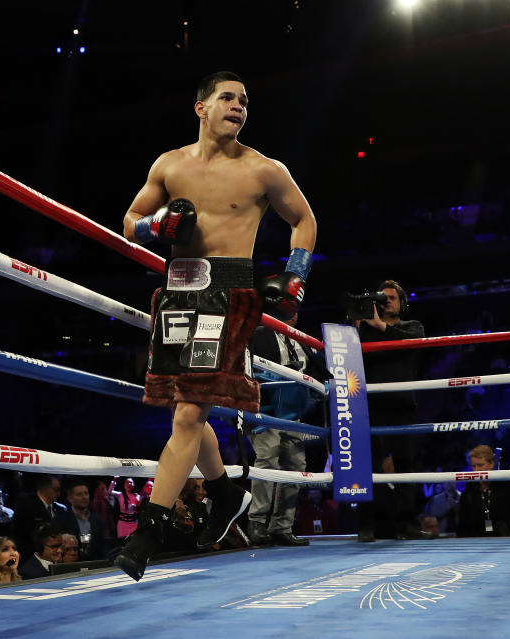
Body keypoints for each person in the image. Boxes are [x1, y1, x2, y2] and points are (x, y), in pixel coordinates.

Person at [114, 70, 317, 581]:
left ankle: (147, 533)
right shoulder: (169, 164)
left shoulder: (263, 170)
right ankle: (226, 494)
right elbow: (130, 222)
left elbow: (305, 221)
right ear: (200, 107)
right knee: (186, 408)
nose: (238, 106)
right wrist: (156, 226)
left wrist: (294, 275)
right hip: (177, 289)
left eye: (244, 101)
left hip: (228, 292)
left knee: (187, 415)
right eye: (227, 98)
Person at [355, 279, 432, 541]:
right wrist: (355, 323)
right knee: (368, 467)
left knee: (405, 466)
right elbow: (343, 352)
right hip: (371, 405)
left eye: (393, 297)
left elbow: (414, 343)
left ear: (402, 303)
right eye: (382, 297)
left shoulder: (413, 327)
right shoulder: (364, 331)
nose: (387, 300)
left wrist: (379, 326)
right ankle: (368, 525)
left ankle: (407, 525)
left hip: (402, 406)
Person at [247, 311, 325, 547]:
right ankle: (257, 523)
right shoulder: (262, 333)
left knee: (296, 466)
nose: (294, 313)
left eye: (297, 308)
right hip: (267, 410)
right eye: (289, 307)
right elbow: (251, 368)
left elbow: (318, 370)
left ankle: (282, 526)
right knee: (267, 459)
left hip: (293, 413)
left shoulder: (301, 339)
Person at [457, 445, 510, 537]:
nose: (477, 470)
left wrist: (508, 528)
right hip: (478, 545)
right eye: (474, 466)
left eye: (481, 465)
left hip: (509, 543)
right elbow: (463, 527)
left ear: (491, 464)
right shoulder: (468, 493)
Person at [12, 475, 63, 559]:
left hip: (55, 555)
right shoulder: (26, 504)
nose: (59, 494)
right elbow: (20, 532)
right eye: (56, 490)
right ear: (45, 488)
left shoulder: (59, 508)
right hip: (31, 555)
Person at [55, 480, 105, 560]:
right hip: (72, 566)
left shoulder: (97, 519)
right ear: (70, 498)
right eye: (79, 494)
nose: (84, 497)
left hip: (95, 565)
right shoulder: (61, 519)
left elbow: (102, 546)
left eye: (86, 493)